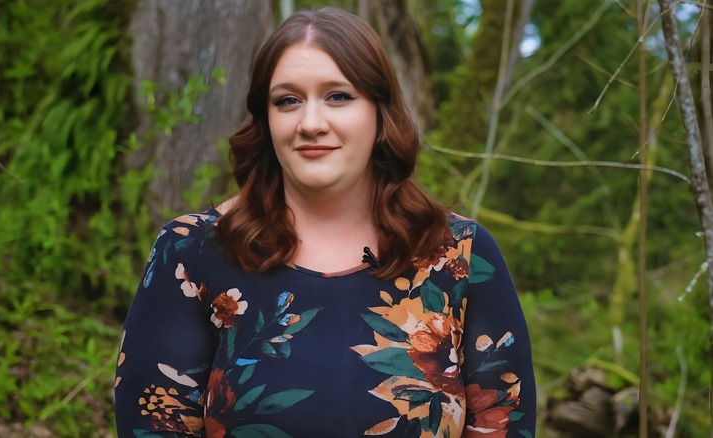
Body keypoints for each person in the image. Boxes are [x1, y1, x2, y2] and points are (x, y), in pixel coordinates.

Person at [114, 7, 535, 438]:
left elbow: (505, 426)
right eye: (288, 101)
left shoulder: (460, 254)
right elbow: (153, 427)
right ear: (265, 120)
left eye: (338, 96)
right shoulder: (192, 252)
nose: (311, 123)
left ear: (379, 112)